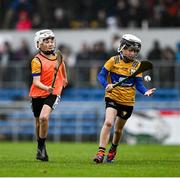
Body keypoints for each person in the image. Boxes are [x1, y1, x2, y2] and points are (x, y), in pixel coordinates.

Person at [93, 34, 156, 164]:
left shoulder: (137, 66)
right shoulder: (113, 61)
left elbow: (138, 84)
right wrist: (106, 85)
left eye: (135, 51)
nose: (133, 53)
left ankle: (113, 150)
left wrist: (145, 92)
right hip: (112, 97)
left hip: (127, 101)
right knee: (108, 122)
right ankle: (100, 152)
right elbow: (101, 76)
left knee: (118, 130)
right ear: (122, 48)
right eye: (130, 50)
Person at [29, 29, 68, 161]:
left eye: (52, 41)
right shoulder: (36, 60)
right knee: (38, 123)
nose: (50, 43)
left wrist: (64, 79)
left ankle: (41, 147)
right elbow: (36, 82)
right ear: (38, 44)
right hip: (38, 92)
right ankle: (41, 146)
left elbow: (61, 66)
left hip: (54, 92)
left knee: (44, 118)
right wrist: (46, 88)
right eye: (46, 41)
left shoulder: (58, 56)